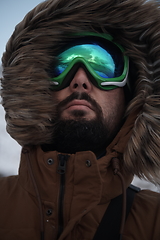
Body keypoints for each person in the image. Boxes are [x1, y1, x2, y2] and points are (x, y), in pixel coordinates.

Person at [0, 0, 160, 239]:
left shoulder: (154, 220)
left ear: (132, 93)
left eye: (104, 66)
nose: (80, 80)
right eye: (60, 66)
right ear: (36, 88)